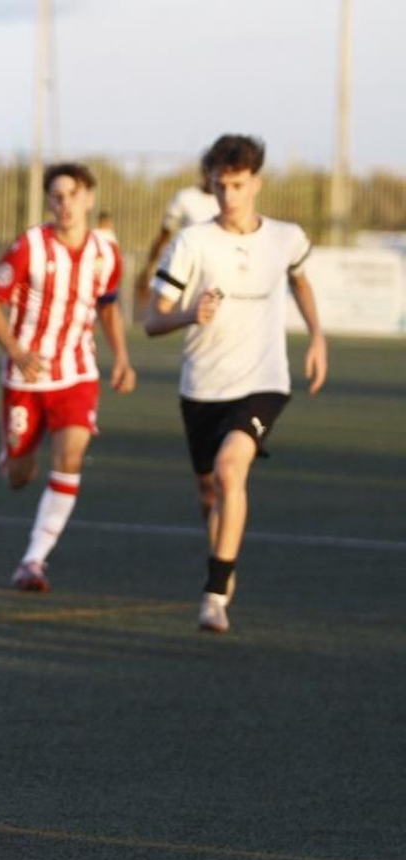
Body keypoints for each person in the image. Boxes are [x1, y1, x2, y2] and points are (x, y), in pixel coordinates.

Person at [145, 134, 326, 633]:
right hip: (202, 387)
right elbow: (151, 320)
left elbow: (300, 278)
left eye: (238, 186)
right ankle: (225, 560)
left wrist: (317, 338)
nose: (229, 197)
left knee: (231, 470)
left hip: (264, 381)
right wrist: (190, 314)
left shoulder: (285, 236)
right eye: (220, 187)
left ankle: (214, 592)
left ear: (257, 183)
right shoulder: (192, 242)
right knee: (211, 495)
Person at [0, 162, 137, 592]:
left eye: (73, 194)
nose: (65, 204)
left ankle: (33, 560)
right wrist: (16, 350)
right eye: (57, 196)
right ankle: (10, 453)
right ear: (48, 201)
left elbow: (107, 307)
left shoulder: (106, 252)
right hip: (26, 379)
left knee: (69, 456)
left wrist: (121, 356)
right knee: (20, 476)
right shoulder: (30, 246)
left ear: (88, 198)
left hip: (77, 374)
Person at [135, 159, 220, 313]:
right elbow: (164, 235)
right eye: (210, 170)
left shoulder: (228, 202)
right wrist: (147, 270)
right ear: (203, 171)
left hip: (220, 270)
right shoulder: (184, 197)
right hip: (191, 270)